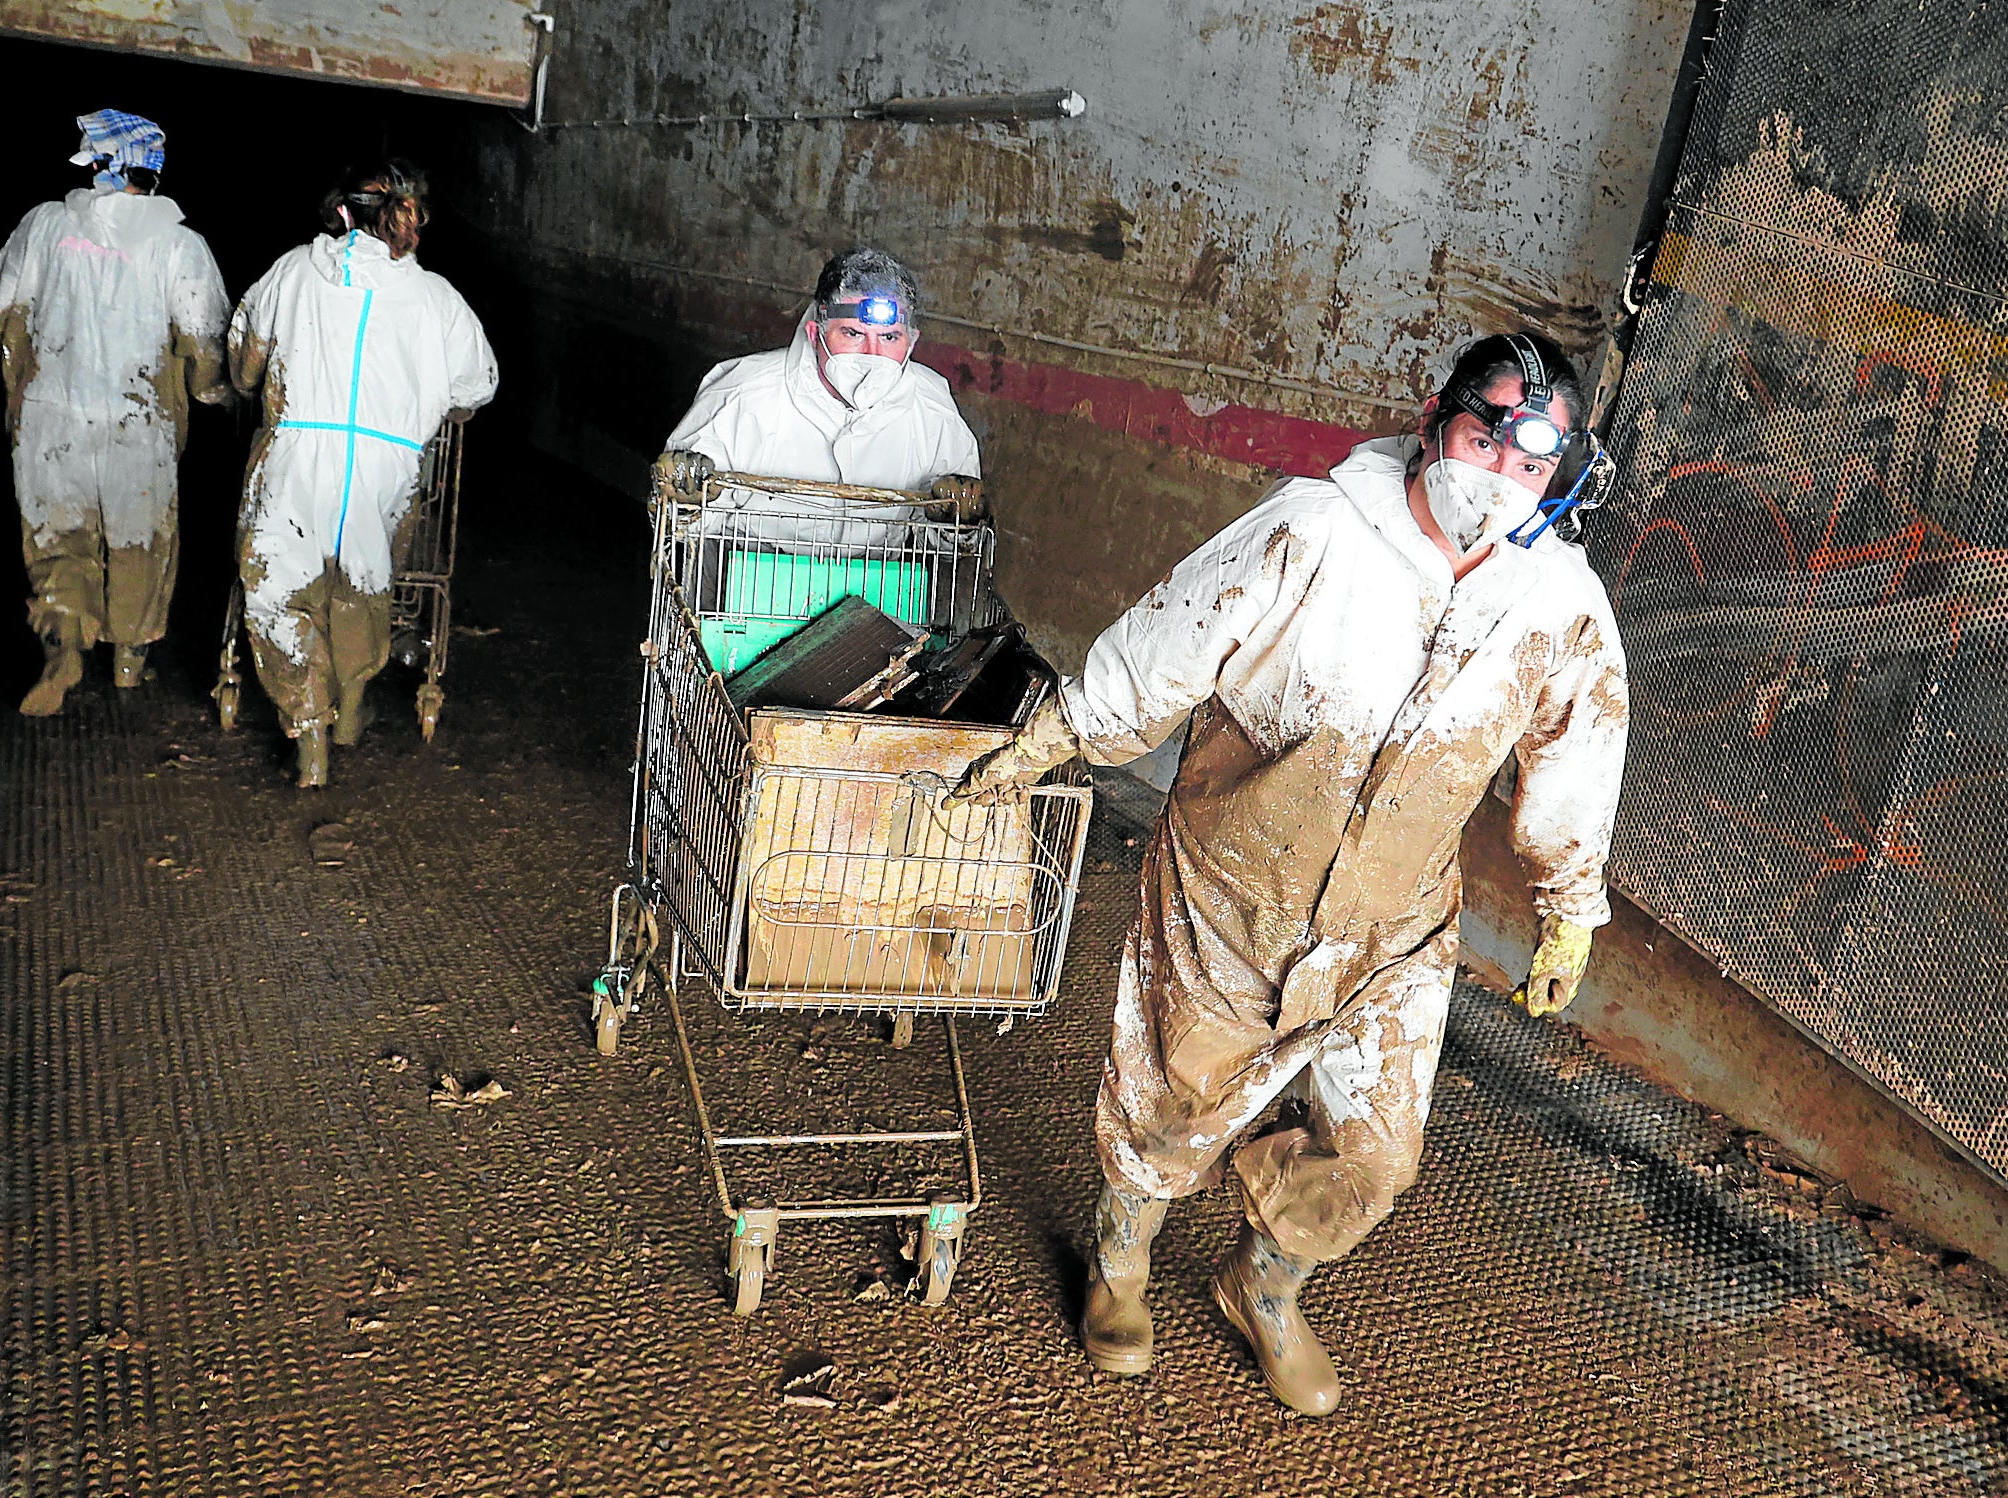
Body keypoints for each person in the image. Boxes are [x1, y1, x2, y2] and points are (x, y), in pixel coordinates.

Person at [953, 333, 1629, 1415]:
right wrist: (1057, 736)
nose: (1499, 475)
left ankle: (1262, 1286)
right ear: (1432, 422)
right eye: (1481, 437)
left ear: (1561, 475)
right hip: (1232, 888)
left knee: (1376, 1154)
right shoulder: (1314, 528)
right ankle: (1121, 1262)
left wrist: (1569, 908)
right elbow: (1169, 638)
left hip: (1392, 928)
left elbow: (1581, 749)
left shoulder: (1556, 603)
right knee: (1172, 1104)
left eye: (1532, 462)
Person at [226, 160, 499, 787]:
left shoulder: (292, 271)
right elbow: (477, 386)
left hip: (292, 456)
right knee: (362, 588)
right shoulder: (436, 298)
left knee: (280, 593)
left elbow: (245, 360)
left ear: (341, 213)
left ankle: (310, 735)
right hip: (387, 468)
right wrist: (420, 408)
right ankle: (351, 709)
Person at [0, 108, 232, 715]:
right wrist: (218, 396)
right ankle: (129, 665)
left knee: (58, 542)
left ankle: (63, 648)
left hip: (49, 419)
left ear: (96, 163)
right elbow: (205, 341)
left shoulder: (46, 226)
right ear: (152, 171)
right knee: (139, 543)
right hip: (139, 427)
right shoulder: (179, 245)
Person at [657, 247, 982, 536]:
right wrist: (688, 500)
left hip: (874, 588)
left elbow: (947, 544)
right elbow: (683, 525)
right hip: (753, 583)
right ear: (815, 334)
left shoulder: (933, 409)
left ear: (912, 341)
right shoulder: (742, 392)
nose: (871, 354)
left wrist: (955, 523)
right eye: (853, 333)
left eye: (889, 338)